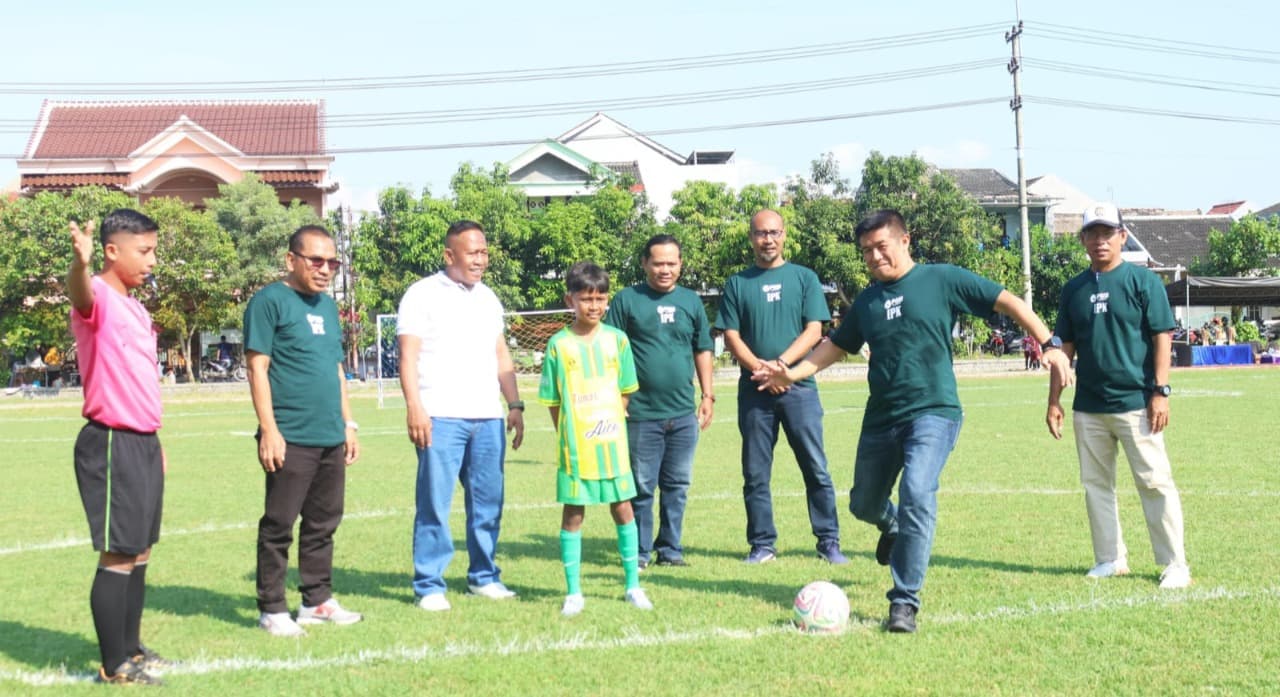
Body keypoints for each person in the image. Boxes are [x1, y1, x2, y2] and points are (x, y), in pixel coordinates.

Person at [755, 209, 1071, 634]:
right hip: (882, 418)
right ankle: (892, 524)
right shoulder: (867, 301)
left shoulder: (941, 279)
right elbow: (836, 346)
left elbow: (1008, 301)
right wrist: (790, 373)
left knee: (918, 491)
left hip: (934, 413)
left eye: (881, 246)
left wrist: (1048, 342)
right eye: (866, 250)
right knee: (864, 505)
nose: (873, 256)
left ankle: (904, 602)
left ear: (905, 241)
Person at [1046, 202, 1191, 590]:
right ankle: (1110, 558)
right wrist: (1054, 401)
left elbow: (1163, 336)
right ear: (1082, 240)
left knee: (1155, 482)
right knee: (1096, 486)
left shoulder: (1144, 283)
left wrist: (1160, 391)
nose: (1099, 241)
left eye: (1107, 233)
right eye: (1092, 233)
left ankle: (1175, 564)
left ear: (1122, 237)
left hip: (1137, 404)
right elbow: (1065, 351)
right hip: (1089, 407)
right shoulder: (1073, 289)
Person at [397, 220, 525, 612]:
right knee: (435, 502)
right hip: (440, 415)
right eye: (472, 252)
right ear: (449, 255)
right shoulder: (421, 295)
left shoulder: (488, 298)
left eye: (484, 252)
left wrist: (515, 404)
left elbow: (501, 354)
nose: (480, 259)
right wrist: (415, 406)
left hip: (487, 415)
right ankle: (429, 584)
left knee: (488, 501)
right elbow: (408, 355)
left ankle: (483, 577)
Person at [244, 224, 362, 637]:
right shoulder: (269, 302)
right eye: (316, 260)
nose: (325, 269)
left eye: (333, 262)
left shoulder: (328, 308)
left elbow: (337, 369)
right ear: (290, 260)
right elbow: (257, 368)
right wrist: (269, 430)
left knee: (323, 523)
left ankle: (316, 600)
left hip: (330, 434)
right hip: (290, 435)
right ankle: (272, 608)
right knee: (279, 524)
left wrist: (348, 423)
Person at [68, 209, 170, 685]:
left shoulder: (135, 306)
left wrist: (155, 441)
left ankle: (132, 648)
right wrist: (79, 265)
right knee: (118, 554)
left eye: (153, 250)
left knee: (141, 550)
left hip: (142, 442)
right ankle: (114, 665)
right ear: (112, 251)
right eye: (143, 251)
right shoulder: (99, 298)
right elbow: (81, 294)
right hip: (110, 441)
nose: (152, 260)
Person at [715, 209, 846, 566]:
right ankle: (762, 544)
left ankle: (828, 541)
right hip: (755, 389)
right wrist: (761, 369)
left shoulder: (804, 278)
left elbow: (814, 330)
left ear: (784, 235)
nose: (767, 239)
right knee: (756, 472)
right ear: (751, 238)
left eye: (773, 232)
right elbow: (730, 336)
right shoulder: (738, 283)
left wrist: (783, 367)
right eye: (760, 233)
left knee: (815, 467)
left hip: (799, 387)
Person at [538, 261, 652, 616]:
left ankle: (633, 585)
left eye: (601, 298)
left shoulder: (617, 341)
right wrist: (570, 434)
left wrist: (608, 422)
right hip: (577, 451)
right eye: (586, 298)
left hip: (612, 448)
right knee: (573, 513)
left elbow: (626, 391)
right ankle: (574, 592)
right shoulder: (559, 345)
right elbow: (553, 401)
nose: (594, 306)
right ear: (569, 299)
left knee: (623, 509)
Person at [603, 234, 715, 569]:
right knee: (641, 487)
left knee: (677, 486)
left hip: (682, 413)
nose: (664, 269)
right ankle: (639, 552)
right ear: (644, 264)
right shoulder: (627, 300)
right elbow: (611, 350)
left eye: (671, 263)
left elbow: (702, 348)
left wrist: (707, 394)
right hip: (640, 413)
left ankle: (670, 549)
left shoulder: (691, 301)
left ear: (680, 264)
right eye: (658, 263)